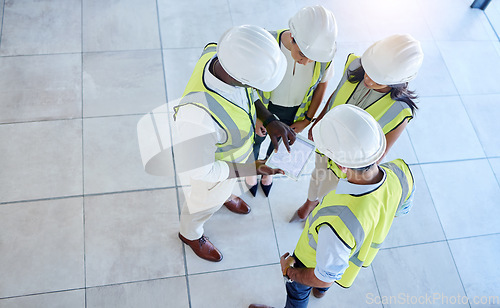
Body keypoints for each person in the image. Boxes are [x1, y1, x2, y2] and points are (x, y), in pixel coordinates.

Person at [249, 104, 416, 308]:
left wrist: (290, 272)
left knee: (298, 295)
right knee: (325, 279)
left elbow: (323, 276)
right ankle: (320, 293)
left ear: (342, 165)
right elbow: (400, 211)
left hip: (309, 263)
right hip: (346, 255)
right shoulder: (400, 170)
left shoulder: (338, 222)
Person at [173, 25, 296, 262]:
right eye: (254, 84)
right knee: (202, 205)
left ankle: (225, 195)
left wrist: (268, 119)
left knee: (226, 187)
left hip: (232, 160)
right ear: (242, 79)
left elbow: (248, 94)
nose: (255, 89)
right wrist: (253, 169)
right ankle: (190, 234)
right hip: (210, 175)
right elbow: (202, 170)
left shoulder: (219, 55)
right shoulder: (198, 119)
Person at [290, 33, 424, 222]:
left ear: (399, 81)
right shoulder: (355, 65)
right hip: (325, 141)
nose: (368, 80)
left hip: (347, 164)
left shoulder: (400, 111)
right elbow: (336, 96)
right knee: (318, 173)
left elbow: (381, 151)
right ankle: (310, 201)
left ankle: (318, 204)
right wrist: (319, 119)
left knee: (330, 186)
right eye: (368, 72)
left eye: (377, 80)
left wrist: (353, 170)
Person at [245, 5, 337, 197]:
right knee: (254, 142)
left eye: (313, 59)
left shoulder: (323, 56)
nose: (307, 62)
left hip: (294, 112)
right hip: (263, 109)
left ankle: (268, 173)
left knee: (279, 144)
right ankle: (251, 173)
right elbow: (249, 82)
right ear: (292, 38)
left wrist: (307, 119)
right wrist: (258, 117)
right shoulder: (267, 43)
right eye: (303, 56)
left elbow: (322, 86)